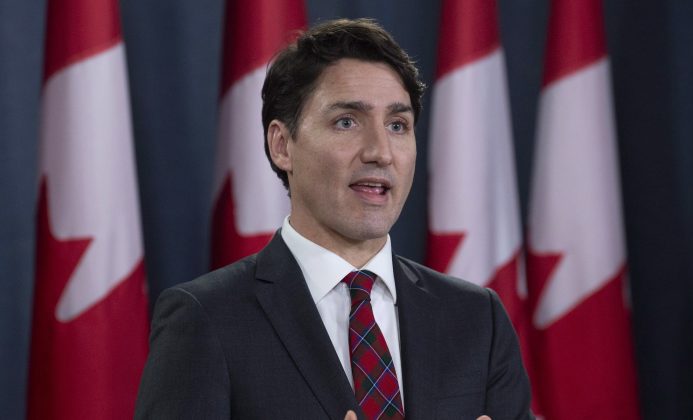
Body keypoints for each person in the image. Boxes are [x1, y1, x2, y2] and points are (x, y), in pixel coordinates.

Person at [135, 18, 533, 419]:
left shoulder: (477, 319)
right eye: (347, 121)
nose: (380, 151)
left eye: (398, 125)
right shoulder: (206, 319)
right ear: (282, 146)